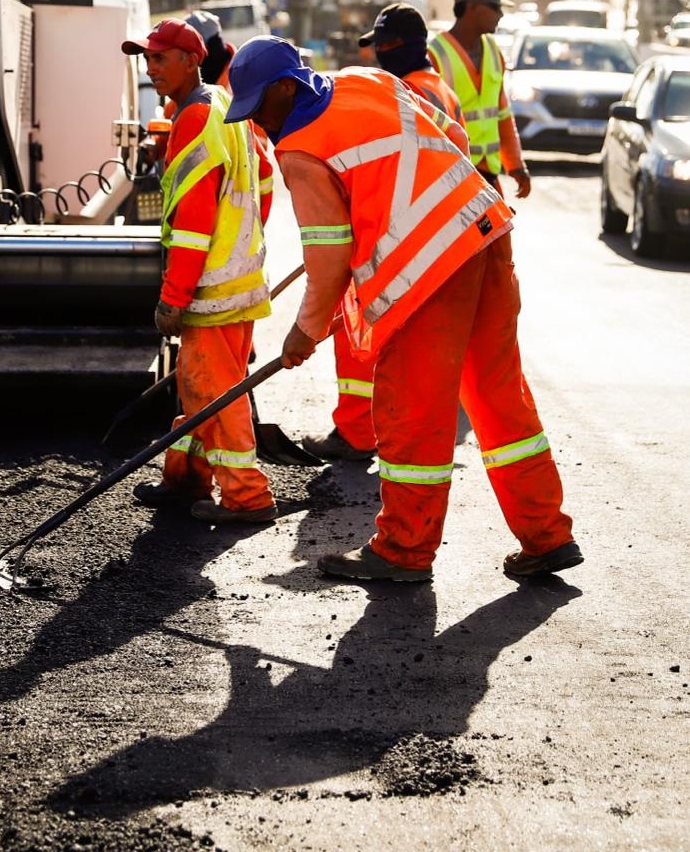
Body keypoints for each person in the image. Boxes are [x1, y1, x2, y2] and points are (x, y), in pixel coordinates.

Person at [224, 36, 582, 582]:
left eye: (258, 109)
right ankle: (547, 535)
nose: (259, 124)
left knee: (410, 409)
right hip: (483, 232)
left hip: (430, 273)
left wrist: (304, 333)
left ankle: (403, 550)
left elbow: (328, 260)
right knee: (497, 394)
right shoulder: (367, 80)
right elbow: (453, 137)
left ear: (283, 88)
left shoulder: (300, 149)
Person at [120, 18, 277, 525]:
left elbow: (191, 225)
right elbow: (265, 182)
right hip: (238, 281)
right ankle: (185, 477)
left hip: (210, 290)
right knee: (200, 388)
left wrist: (174, 296)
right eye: (147, 60)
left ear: (192, 60)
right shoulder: (224, 103)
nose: (151, 69)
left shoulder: (193, 118)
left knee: (217, 395)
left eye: (160, 58)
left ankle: (247, 496)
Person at [302, 1, 471, 464]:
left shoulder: (406, 90)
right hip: (425, 233)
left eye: (378, 47)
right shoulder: (436, 86)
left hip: (399, 235)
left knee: (356, 332)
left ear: (395, 47)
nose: (373, 57)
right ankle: (381, 426)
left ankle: (358, 431)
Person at [428, 0, 532, 199]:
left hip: (488, 175)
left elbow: (502, 114)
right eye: (495, 7)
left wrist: (515, 164)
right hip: (451, 178)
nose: (501, 14)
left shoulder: (494, 52)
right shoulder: (434, 55)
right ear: (472, 7)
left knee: (501, 234)